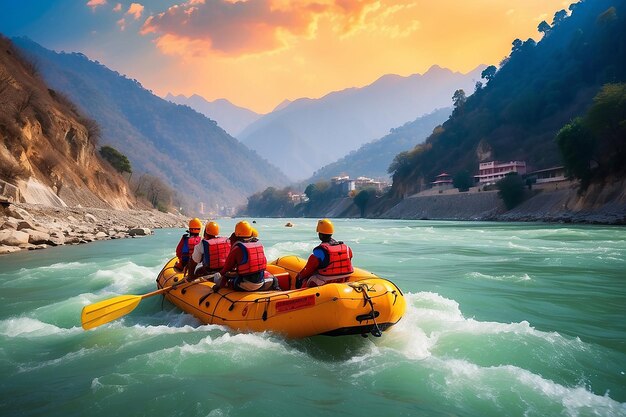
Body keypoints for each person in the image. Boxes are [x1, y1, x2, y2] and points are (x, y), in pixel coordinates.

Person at [213, 220, 278, 291]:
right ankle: (277, 289)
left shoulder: (237, 249)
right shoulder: (258, 245)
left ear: (236, 233)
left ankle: (218, 289)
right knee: (274, 279)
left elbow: (225, 270)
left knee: (223, 276)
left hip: (244, 285)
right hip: (260, 283)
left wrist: (217, 276)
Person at [296, 219, 354, 288]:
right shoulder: (347, 248)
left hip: (325, 281)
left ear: (320, 235)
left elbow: (308, 269)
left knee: (302, 280)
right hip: (344, 279)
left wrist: (299, 277)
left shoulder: (320, 251)